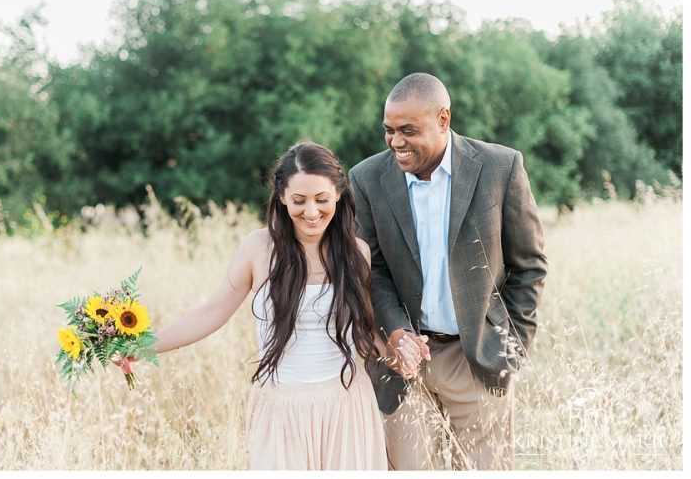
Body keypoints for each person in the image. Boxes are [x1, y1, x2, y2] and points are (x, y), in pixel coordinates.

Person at [116, 142, 423, 470]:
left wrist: (401, 354)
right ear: (281, 197)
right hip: (280, 407)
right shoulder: (258, 248)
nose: (311, 211)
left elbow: (364, 330)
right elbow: (212, 311)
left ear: (337, 194)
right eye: (299, 201)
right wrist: (146, 345)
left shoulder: (356, 252)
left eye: (321, 199)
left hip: (346, 403)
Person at [349, 73, 548, 470]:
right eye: (389, 130)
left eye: (409, 130)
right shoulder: (366, 178)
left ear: (444, 119)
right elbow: (373, 270)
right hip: (401, 363)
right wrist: (395, 332)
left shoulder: (500, 167)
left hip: (475, 357)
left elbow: (529, 266)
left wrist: (507, 350)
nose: (396, 142)